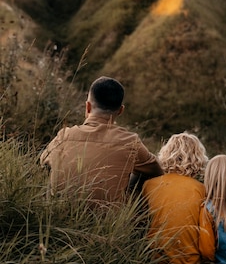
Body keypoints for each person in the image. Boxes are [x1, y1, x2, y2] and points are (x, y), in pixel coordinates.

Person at [40, 76, 162, 204]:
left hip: (57, 218)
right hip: (110, 221)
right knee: (141, 175)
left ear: (87, 107)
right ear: (120, 111)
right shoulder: (130, 141)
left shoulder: (63, 136)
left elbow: (42, 163)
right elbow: (156, 171)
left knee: (51, 168)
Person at [142, 132, 208, 264]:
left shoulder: (149, 184)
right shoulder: (201, 189)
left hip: (154, 261)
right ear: (198, 158)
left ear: (166, 154)